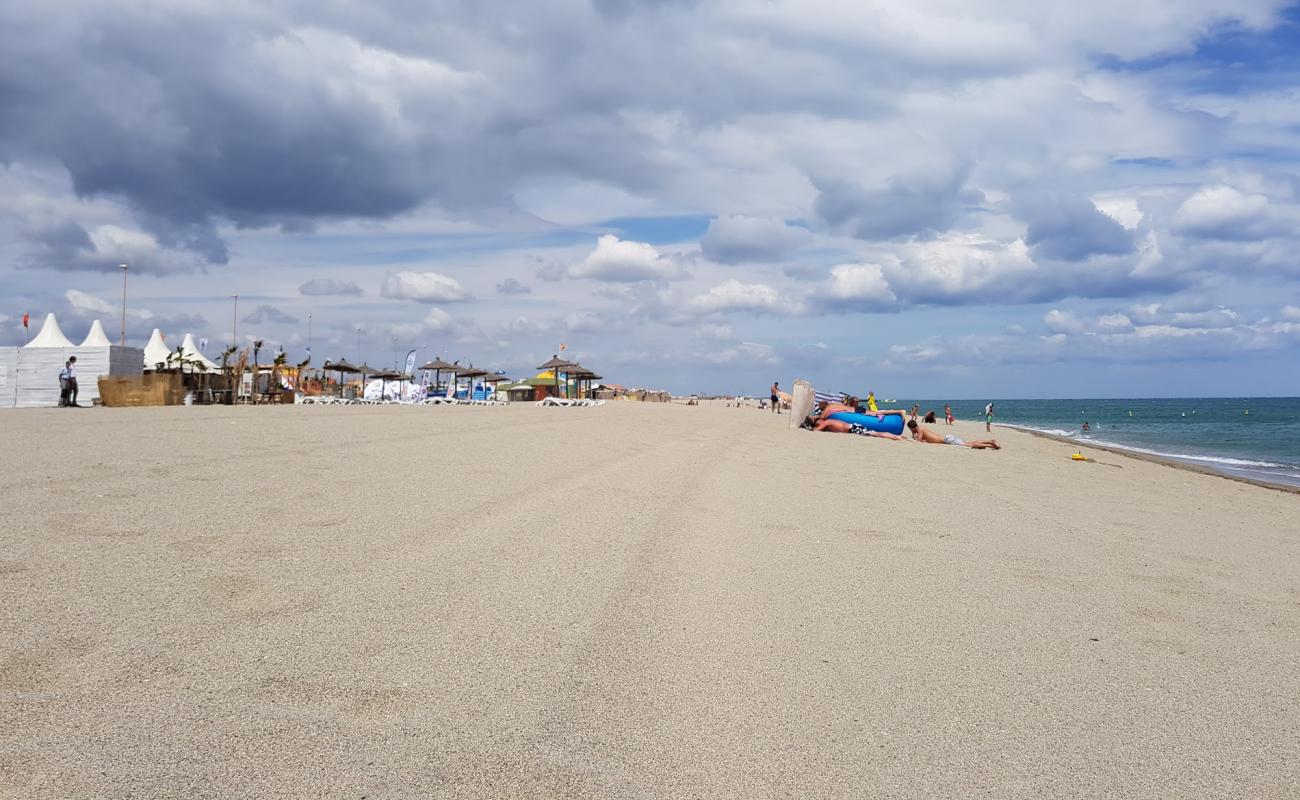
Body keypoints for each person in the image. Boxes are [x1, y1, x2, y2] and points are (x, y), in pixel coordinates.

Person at [907, 419, 999, 449]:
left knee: (970, 444)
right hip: (947, 438)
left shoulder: (919, 431)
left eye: (910, 429)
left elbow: (918, 442)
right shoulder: (922, 428)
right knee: (970, 443)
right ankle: (991, 444)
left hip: (947, 440)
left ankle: (990, 442)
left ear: (912, 428)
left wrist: (913, 434)